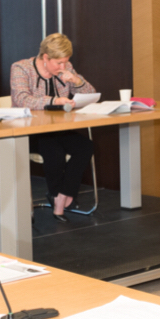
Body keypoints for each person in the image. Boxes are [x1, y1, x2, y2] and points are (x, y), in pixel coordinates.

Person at [10, 34, 96, 218]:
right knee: (53, 150)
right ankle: (56, 195)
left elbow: (91, 94)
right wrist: (54, 100)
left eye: (66, 62)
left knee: (85, 146)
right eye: (58, 63)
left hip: (58, 129)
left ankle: (62, 196)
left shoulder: (67, 68)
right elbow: (21, 99)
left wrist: (77, 82)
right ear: (45, 57)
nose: (63, 67)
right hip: (29, 131)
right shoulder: (21, 68)